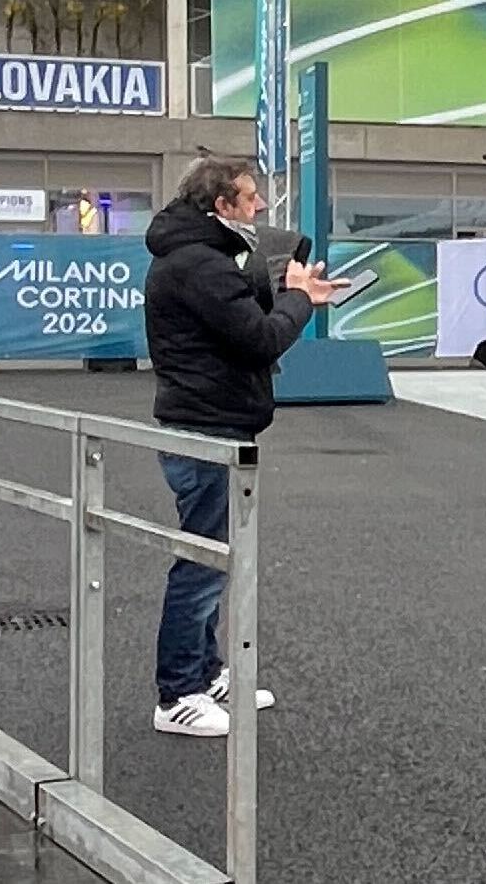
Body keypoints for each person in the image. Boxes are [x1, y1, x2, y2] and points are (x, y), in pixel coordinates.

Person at [142, 154, 344, 739]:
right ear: (221, 206)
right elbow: (258, 340)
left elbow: (236, 321)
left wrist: (298, 293)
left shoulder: (199, 260)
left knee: (214, 559)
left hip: (212, 423)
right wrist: (299, 299)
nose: (260, 209)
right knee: (202, 564)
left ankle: (202, 675)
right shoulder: (200, 265)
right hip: (205, 429)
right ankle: (177, 692)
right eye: (251, 198)